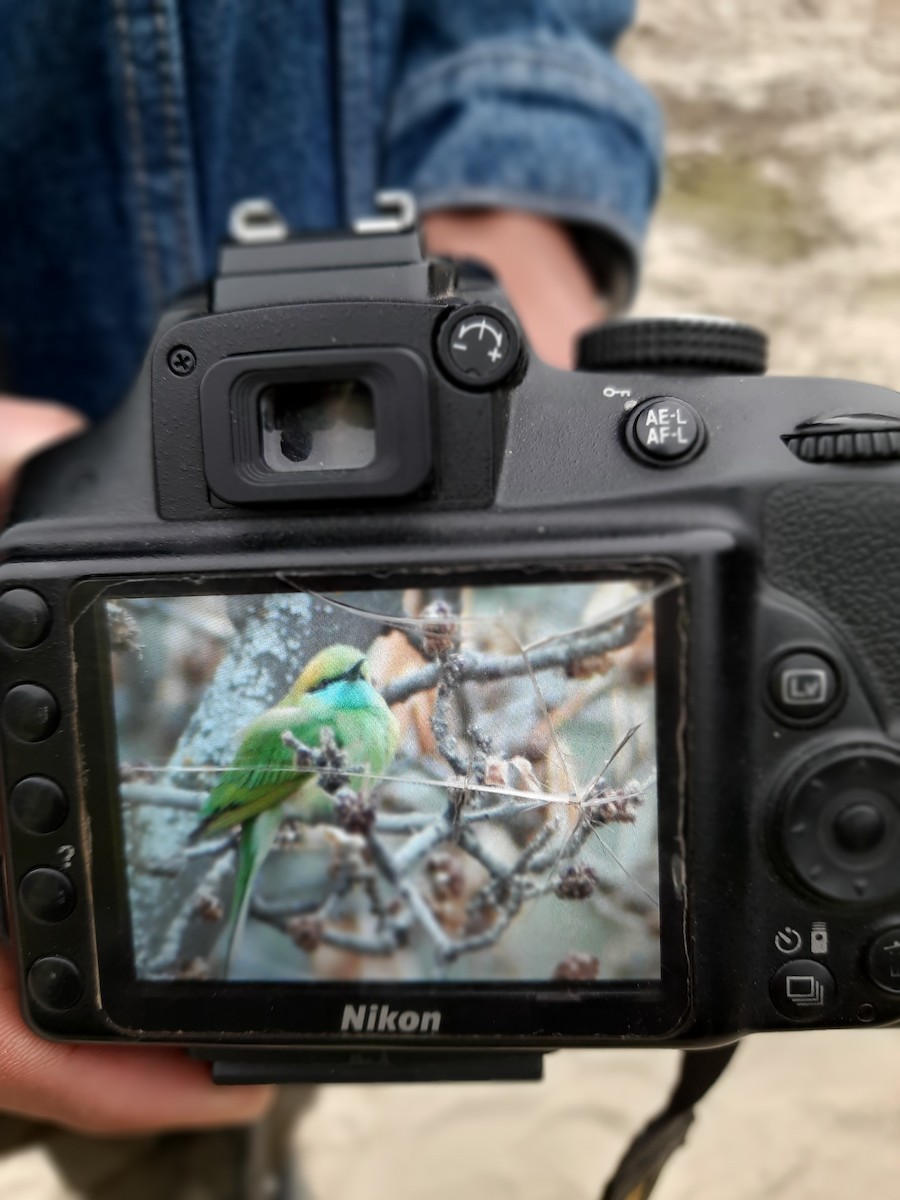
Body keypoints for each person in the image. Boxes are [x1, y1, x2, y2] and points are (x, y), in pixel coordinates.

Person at [0, 1, 662, 1191]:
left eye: (364, 670)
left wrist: (518, 312)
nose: (366, 677)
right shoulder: (301, 712)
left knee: (237, 1092)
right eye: (348, 674)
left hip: (280, 877)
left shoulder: (362, 698)